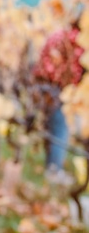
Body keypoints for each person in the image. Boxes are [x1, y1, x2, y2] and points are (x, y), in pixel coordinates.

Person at [33, 19, 84, 173]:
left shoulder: (59, 34)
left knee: (51, 127)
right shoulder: (79, 41)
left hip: (43, 85)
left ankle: (50, 166)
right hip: (60, 90)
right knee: (60, 129)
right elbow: (76, 70)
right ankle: (54, 170)